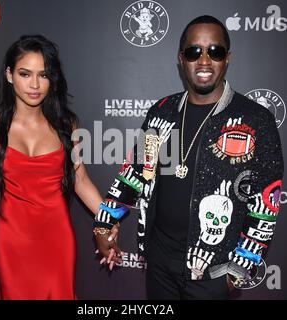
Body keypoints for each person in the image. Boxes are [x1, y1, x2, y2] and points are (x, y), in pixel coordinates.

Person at [94, 15, 284, 299]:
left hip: (214, 273)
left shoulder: (256, 120)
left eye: (215, 51)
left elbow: (265, 206)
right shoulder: (162, 112)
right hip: (159, 264)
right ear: (181, 59)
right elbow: (136, 173)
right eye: (194, 51)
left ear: (227, 58)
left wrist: (238, 270)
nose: (204, 61)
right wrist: (104, 221)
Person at [0, 35, 117, 300]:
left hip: (57, 240)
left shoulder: (66, 124)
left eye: (44, 75)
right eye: (25, 74)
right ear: (9, 75)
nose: (35, 85)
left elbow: (80, 179)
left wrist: (108, 218)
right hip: (11, 242)